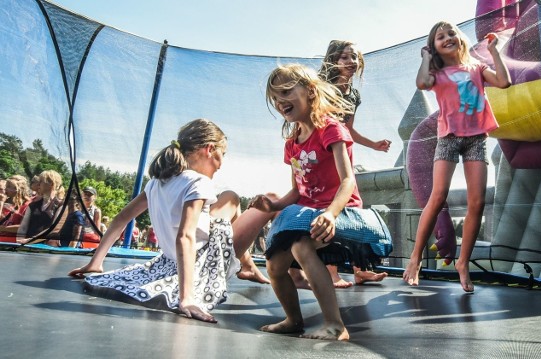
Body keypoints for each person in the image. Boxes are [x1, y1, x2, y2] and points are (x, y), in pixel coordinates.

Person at [68, 118, 269, 322]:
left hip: (168, 262)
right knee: (252, 201)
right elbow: (185, 236)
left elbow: (121, 218)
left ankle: (248, 266)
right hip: (204, 266)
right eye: (222, 154)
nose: (221, 163)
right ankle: (248, 266)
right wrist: (187, 298)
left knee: (230, 197)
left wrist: (96, 262)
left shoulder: (157, 182)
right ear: (209, 149)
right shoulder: (199, 182)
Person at [251, 64, 393, 340]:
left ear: (310, 91)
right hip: (309, 212)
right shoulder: (292, 143)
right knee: (274, 267)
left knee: (301, 246)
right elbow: (297, 191)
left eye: (286, 92)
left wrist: (330, 213)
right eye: (275, 97)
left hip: (340, 211)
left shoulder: (330, 129)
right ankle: (293, 320)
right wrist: (274, 206)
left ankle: (335, 325)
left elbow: (347, 181)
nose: (280, 101)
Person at [402, 21, 511, 292]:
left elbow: (504, 81)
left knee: (477, 202)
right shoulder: (438, 74)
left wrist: (494, 51)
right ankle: (415, 258)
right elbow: (421, 82)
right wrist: (427, 57)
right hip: (448, 139)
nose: (448, 38)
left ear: (460, 39)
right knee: (437, 197)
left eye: (451, 33)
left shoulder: (476, 68)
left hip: (476, 140)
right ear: (435, 46)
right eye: (440, 37)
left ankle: (463, 263)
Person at [316, 39, 392, 287]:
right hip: (326, 151)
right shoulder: (322, 88)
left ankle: (360, 270)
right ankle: (331, 272)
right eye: (346, 57)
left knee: (354, 207)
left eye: (355, 58)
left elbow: (349, 130)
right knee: (332, 205)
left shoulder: (354, 95)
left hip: (344, 151)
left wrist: (374, 145)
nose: (352, 62)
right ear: (333, 60)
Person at [16, 170, 64, 242]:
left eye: (41, 181)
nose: (38, 185)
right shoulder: (33, 205)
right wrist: (19, 241)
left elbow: (54, 228)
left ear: (51, 183)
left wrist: (30, 240)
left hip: (46, 248)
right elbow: (23, 227)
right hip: (27, 246)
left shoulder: (61, 205)